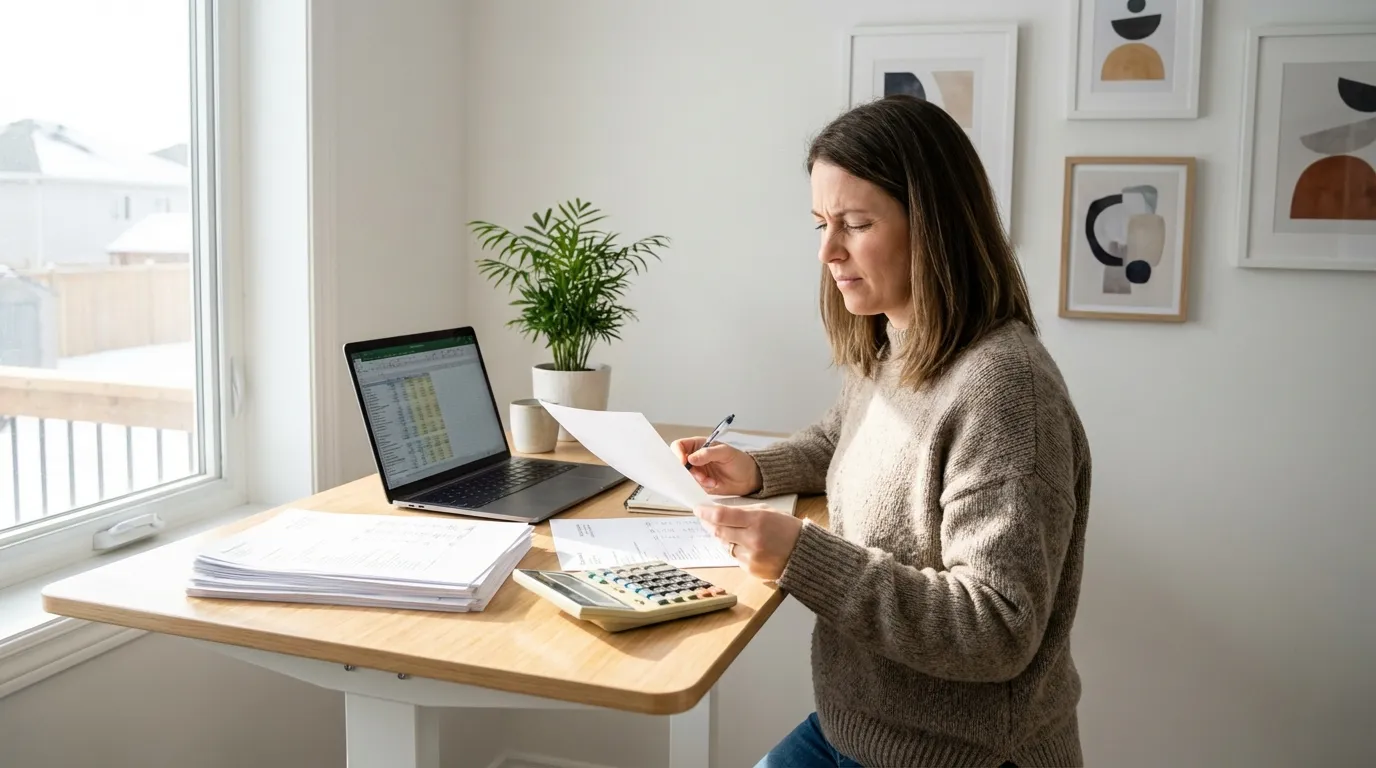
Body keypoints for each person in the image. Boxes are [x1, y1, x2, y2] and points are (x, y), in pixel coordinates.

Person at [671, 94, 1092, 768]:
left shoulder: (1005, 390)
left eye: (856, 223)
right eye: (821, 224)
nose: (829, 252)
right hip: (857, 728)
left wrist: (800, 557)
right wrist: (754, 469)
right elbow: (844, 438)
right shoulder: (899, 346)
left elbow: (996, 628)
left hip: (960, 753)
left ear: (935, 227)